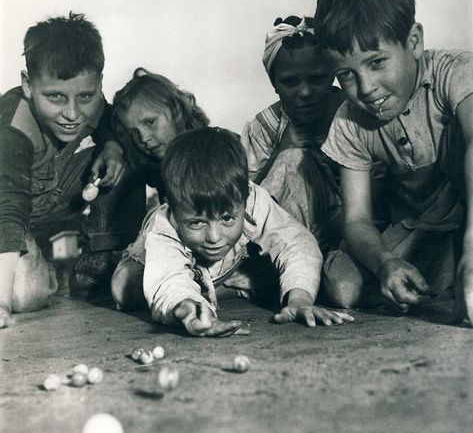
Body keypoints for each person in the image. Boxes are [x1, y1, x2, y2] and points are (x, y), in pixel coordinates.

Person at [312, 0, 473, 319]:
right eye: (347, 74)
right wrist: (385, 263)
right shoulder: (349, 120)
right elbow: (356, 220)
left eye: (376, 62)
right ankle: (442, 274)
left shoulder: (456, 73)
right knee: (343, 287)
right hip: (423, 228)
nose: (365, 87)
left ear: (414, 42)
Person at [111, 127, 354, 336]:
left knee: (285, 272)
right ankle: (207, 289)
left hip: (225, 266)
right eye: (196, 223)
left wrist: (300, 299)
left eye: (227, 218)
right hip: (153, 263)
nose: (214, 237)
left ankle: (214, 285)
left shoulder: (253, 198)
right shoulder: (164, 224)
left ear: (245, 198)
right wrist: (188, 311)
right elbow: (167, 280)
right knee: (125, 288)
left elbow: (296, 243)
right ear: (173, 209)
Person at [0, 12, 145, 327]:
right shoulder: (13, 126)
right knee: (23, 296)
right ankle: (45, 268)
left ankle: (104, 259)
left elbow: (108, 120)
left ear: (98, 85)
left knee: (132, 148)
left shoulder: (89, 105)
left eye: (85, 96)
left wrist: (112, 147)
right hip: (8, 215)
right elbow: (8, 211)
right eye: (55, 97)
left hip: (50, 202)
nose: (72, 113)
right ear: (28, 84)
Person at [240, 16, 345, 253]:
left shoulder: (352, 114)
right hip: (277, 236)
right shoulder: (264, 126)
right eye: (290, 82)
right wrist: (282, 150)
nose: (305, 92)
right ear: (274, 83)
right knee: (290, 160)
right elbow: (243, 200)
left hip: (346, 226)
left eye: (316, 79)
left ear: (332, 74)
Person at [111, 67, 210, 201]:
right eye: (134, 132)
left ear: (176, 110)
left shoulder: (214, 151)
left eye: (150, 122)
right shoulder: (155, 165)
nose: (144, 138)